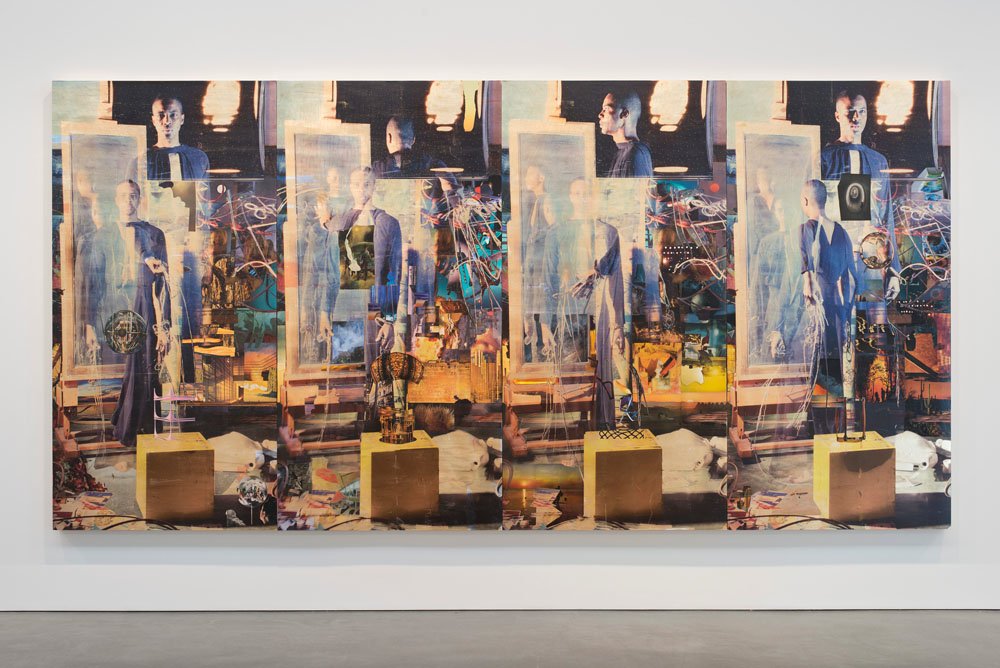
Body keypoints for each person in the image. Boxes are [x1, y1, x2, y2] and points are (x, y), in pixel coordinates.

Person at [820, 89, 901, 303]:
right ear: (838, 115)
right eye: (850, 111)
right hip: (834, 257)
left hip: (871, 257)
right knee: (838, 316)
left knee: (875, 317)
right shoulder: (824, 159)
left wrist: (893, 269)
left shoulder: (877, 161)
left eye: (862, 111)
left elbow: (886, 216)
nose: (856, 117)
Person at [111, 180, 171, 447]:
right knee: (133, 366)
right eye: (123, 196)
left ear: (140, 199)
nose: (128, 201)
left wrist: (164, 324)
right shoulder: (108, 233)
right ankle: (126, 424)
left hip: (143, 306)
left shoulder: (154, 234)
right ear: (116, 200)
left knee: (145, 367)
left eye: (133, 195)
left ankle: (138, 428)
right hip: (117, 307)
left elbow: (163, 282)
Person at [335, 167, 403, 382]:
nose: (361, 189)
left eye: (366, 184)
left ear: (374, 186)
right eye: (356, 184)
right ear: (349, 187)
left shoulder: (387, 223)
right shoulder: (341, 222)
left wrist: (390, 321)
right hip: (344, 315)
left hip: (374, 315)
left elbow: (394, 273)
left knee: (375, 380)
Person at [799, 179, 858, 399]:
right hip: (838, 306)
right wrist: (847, 307)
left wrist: (808, 282)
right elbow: (852, 275)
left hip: (819, 303)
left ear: (805, 200)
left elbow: (807, 265)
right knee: (835, 360)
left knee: (818, 361)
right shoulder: (841, 231)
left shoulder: (806, 228)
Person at [129, 96, 209, 182]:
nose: (167, 121)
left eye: (173, 115)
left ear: (182, 119)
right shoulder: (140, 161)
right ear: (153, 120)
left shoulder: (199, 157)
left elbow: (204, 190)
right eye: (161, 115)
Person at [522, 165, 551, 363]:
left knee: (541, 306)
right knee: (533, 306)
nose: (526, 177)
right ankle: (537, 351)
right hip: (533, 264)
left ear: (541, 177)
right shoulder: (536, 201)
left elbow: (554, 231)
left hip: (541, 265)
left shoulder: (546, 200)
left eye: (530, 173)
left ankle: (543, 350)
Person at [598, 90, 653, 178]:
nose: (600, 115)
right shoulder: (623, 152)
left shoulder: (635, 154)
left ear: (624, 114)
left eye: (606, 109)